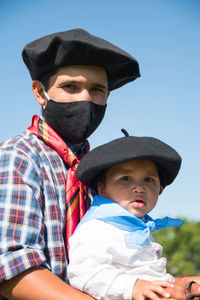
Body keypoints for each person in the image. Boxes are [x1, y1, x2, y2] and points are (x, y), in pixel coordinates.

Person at [0, 29, 140, 300]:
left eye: (97, 90)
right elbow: (12, 269)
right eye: (70, 87)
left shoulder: (99, 170)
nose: (85, 99)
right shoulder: (19, 156)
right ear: (40, 93)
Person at [68, 130, 200, 300]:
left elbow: (148, 275)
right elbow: (84, 274)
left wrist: (182, 287)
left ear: (160, 190)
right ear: (102, 188)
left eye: (148, 180)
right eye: (126, 178)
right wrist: (134, 287)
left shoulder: (137, 228)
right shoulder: (97, 228)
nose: (139, 187)